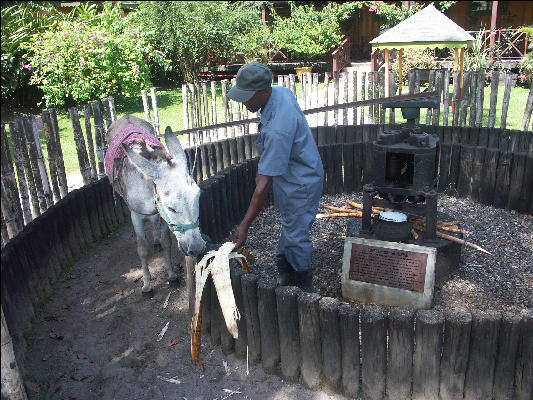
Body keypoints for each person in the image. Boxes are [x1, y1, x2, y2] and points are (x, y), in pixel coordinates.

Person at [229, 62, 324, 292]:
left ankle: (303, 287)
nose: (244, 103)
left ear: (264, 91)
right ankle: (285, 271)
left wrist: (244, 226)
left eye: (248, 98)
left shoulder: (276, 131)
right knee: (291, 226)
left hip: (300, 183)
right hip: (293, 174)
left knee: (297, 235)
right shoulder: (280, 93)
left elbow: (262, 186)